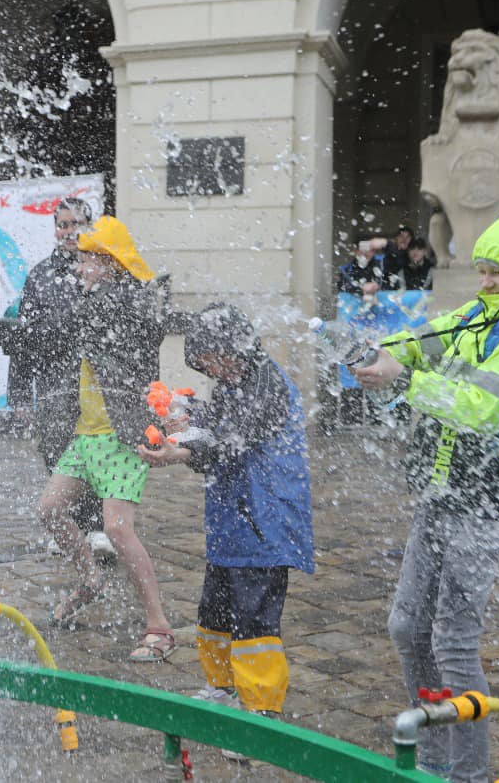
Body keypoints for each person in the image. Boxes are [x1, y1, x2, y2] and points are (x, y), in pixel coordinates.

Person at [353, 202, 499, 781]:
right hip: (441, 495)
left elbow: (482, 411)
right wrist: (387, 352)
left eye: (498, 272)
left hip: (484, 506)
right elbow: (425, 338)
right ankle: (435, 755)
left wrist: (407, 380)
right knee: (406, 627)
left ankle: (469, 774)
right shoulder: (480, 312)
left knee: (454, 643)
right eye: (483, 269)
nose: (486, 281)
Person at [137, 304, 313, 739]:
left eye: (216, 357)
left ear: (236, 346)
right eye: (205, 361)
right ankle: (223, 687)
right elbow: (214, 431)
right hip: (233, 521)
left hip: (264, 520)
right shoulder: (231, 384)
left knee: (254, 618)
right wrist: (182, 427)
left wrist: (184, 447)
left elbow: (231, 440)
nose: (211, 368)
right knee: (214, 609)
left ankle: (261, 710)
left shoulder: (265, 385)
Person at [36, 215, 174, 662]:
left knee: (117, 528)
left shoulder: (125, 304)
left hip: (120, 437)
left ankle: (159, 626)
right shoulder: (96, 300)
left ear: (109, 264)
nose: (77, 270)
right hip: (86, 436)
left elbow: (113, 331)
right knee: (51, 510)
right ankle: (91, 578)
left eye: (85, 262)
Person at [7, 197, 114, 559]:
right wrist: (19, 394)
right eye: (63, 225)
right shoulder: (40, 275)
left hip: (94, 384)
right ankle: (68, 527)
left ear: (89, 226)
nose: (68, 231)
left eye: (76, 224)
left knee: (98, 453)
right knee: (57, 449)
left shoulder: (103, 267)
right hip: (54, 382)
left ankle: (99, 525)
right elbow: (22, 338)